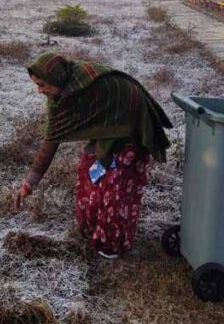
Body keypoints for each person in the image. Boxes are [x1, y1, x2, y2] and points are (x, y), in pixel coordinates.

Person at [14, 52, 173, 259]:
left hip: (132, 124)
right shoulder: (60, 94)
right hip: (108, 126)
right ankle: (92, 229)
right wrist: (29, 184)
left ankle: (113, 243)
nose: (39, 91)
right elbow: (51, 139)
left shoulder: (89, 87)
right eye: (37, 85)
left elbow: (50, 141)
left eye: (42, 85)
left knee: (116, 185)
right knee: (88, 174)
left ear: (56, 80)